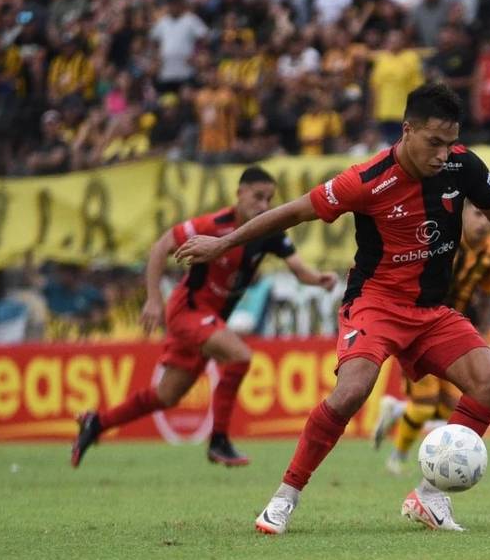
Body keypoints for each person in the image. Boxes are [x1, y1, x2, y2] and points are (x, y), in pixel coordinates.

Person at [176, 83, 490, 534]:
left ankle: (430, 497)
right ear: (407, 130)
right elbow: (292, 213)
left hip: (431, 311)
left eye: (450, 142)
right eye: (434, 142)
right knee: (352, 391)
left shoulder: (461, 164)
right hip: (376, 305)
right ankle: (284, 498)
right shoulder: (365, 180)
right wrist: (224, 243)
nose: (442, 153)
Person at [70, 166, 338, 468]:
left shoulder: (270, 231)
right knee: (239, 355)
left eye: (269, 199)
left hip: (209, 321)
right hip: (188, 311)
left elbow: (299, 270)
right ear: (239, 194)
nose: (263, 205)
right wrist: (154, 299)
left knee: (167, 395)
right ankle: (219, 441)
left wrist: (320, 279)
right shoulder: (212, 225)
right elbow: (161, 247)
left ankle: (97, 423)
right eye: (258, 197)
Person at [373, 201, 490, 475]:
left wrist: (484, 329)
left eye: (489, 216)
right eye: (478, 213)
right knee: (423, 408)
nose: (484, 222)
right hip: (421, 328)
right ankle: (396, 458)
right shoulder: (443, 239)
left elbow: (488, 292)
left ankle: (396, 411)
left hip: (455, 331)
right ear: (463, 213)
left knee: (449, 409)